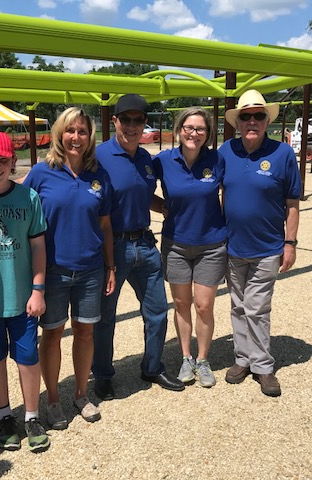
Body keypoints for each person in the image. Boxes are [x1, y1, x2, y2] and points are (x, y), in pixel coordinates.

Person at [20, 107, 115, 429]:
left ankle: (80, 393)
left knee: (85, 332)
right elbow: (23, 216)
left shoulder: (99, 176)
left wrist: (111, 266)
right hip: (53, 270)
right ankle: (52, 399)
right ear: (60, 134)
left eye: (83, 131)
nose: (76, 137)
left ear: (90, 137)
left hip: (90, 269)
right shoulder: (41, 173)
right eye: (70, 130)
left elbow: (105, 226)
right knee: (52, 334)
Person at [92, 94, 185, 399]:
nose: (132, 126)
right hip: (112, 247)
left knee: (157, 310)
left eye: (138, 120)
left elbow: (141, 194)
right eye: (126, 119)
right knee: (105, 317)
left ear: (145, 123)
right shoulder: (97, 156)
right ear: (114, 121)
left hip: (144, 243)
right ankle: (102, 374)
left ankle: (153, 366)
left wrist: (166, 207)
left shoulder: (146, 159)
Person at [219, 90, 301, 397]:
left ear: (267, 121)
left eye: (258, 115)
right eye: (245, 116)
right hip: (233, 246)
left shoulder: (282, 154)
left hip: (267, 247)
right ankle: (242, 358)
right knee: (238, 306)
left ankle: (263, 365)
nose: (252, 121)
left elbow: (292, 203)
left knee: (257, 308)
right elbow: (217, 190)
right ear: (237, 122)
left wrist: (290, 243)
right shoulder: (226, 151)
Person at [0, 131, 50, 453]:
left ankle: (31, 416)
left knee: (28, 358)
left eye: (2, 160)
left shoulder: (27, 198)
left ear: (13, 161)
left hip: (22, 298)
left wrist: (38, 289)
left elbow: (38, 246)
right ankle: (5, 416)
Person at [152, 107, 227, 388]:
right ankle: (186, 357)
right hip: (176, 244)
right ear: (179, 130)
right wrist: (160, 206)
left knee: (204, 305)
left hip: (211, 244)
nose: (194, 133)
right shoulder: (164, 160)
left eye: (200, 129)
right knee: (182, 303)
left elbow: (233, 191)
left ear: (208, 133)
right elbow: (139, 187)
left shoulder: (217, 160)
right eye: (188, 127)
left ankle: (203, 359)